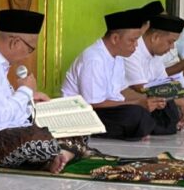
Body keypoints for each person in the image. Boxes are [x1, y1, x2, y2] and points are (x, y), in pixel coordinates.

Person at [0, 9, 85, 173]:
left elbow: (4, 106)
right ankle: (64, 152)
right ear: (15, 42)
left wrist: (30, 102)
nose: (27, 55)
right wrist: (25, 90)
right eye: (30, 49)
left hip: (6, 129)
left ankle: (59, 154)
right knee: (36, 141)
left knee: (77, 123)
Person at [62, 10, 162, 141]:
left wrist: (150, 100)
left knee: (159, 110)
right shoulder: (94, 59)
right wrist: (137, 103)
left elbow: (120, 92)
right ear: (115, 38)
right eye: (132, 40)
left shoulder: (118, 57)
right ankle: (139, 127)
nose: (136, 45)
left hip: (109, 109)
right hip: (84, 113)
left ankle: (140, 128)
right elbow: (94, 103)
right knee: (135, 114)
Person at [123, 14, 184, 131]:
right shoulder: (132, 51)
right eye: (170, 42)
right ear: (155, 37)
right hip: (128, 101)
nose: (172, 47)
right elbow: (141, 88)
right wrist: (182, 104)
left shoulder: (156, 56)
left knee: (170, 108)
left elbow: (165, 84)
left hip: (150, 99)